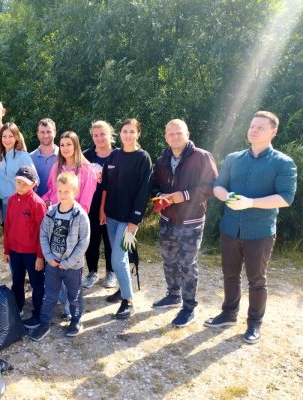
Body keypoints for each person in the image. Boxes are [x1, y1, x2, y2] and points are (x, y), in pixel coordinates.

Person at [204, 111, 297, 344]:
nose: (253, 130)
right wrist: (227, 197)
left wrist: (252, 203)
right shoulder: (234, 158)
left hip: (260, 232)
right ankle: (228, 314)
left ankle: (254, 324)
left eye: (260, 128)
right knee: (230, 275)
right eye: (252, 126)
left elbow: (286, 198)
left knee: (257, 279)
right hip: (230, 228)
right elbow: (218, 187)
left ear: (273, 131)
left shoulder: (283, 163)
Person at [150, 119, 218, 328]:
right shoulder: (162, 160)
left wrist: (185, 195)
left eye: (179, 133)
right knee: (169, 259)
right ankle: (173, 295)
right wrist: (160, 196)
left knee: (187, 265)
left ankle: (188, 308)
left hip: (191, 221)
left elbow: (213, 186)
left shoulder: (202, 157)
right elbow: (152, 187)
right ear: (165, 136)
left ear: (187, 133)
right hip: (167, 219)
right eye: (170, 134)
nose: (175, 137)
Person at [99, 118, 152, 319]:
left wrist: (135, 220)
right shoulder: (113, 157)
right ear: (119, 134)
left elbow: (143, 190)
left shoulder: (143, 157)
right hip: (111, 216)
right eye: (124, 131)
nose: (127, 135)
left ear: (138, 134)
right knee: (117, 256)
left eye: (132, 131)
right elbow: (105, 187)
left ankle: (128, 301)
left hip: (129, 219)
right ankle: (122, 289)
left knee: (117, 258)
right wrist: (102, 210)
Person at [30, 172, 91, 341]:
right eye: (60, 191)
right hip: (53, 264)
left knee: (74, 295)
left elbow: (84, 241)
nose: (62, 195)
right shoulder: (51, 212)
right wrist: (48, 257)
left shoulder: (80, 215)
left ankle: (76, 320)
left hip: (72, 266)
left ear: (75, 192)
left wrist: (69, 261)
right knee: (49, 295)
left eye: (67, 192)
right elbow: (43, 235)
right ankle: (44, 324)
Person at [3, 165, 47, 328]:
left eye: (24, 183)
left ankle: (39, 313)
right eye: (18, 182)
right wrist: (6, 249)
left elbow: (43, 233)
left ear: (34, 184)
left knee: (36, 283)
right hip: (15, 251)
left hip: (32, 254)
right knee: (17, 281)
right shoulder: (12, 200)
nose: (20, 186)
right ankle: (18, 307)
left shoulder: (38, 203)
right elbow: (7, 226)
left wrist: (40, 256)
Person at [82, 121, 117, 289]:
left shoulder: (119, 154)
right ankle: (92, 272)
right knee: (92, 240)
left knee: (110, 241)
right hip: (90, 206)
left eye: (102, 134)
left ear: (110, 134)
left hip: (113, 207)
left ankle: (111, 272)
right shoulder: (87, 155)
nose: (99, 138)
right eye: (95, 135)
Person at [42, 131, 97, 212]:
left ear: (75, 146)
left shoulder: (87, 169)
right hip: (54, 214)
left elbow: (86, 199)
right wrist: (46, 200)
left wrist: (77, 217)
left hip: (73, 216)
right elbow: (51, 189)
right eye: (62, 145)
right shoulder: (56, 166)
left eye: (69, 144)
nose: (65, 148)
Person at [0, 122, 36, 219]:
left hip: (21, 204)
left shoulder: (23, 156)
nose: (7, 139)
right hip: (5, 204)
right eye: (4, 136)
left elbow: (35, 180)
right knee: (8, 233)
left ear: (16, 137)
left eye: (11, 136)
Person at [30, 118, 59, 197]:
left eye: (49, 132)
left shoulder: (63, 156)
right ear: (37, 134)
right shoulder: (30, 158)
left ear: (55, 133)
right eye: (42, 132)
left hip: (58, 204)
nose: (46, 135)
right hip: (36, 205)